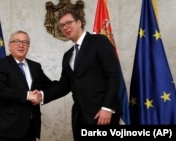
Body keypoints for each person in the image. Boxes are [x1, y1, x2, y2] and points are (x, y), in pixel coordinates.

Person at [42, 9, 122, 140]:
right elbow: (64, 86)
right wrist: (42, 95)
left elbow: (113, 75)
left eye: (69, 23)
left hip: (102, 115)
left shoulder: (99, 41)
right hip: (80, 117)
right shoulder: (67, 55)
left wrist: (108, 107)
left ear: (79, 22)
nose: (65, 27)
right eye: (62, 25)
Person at [0, 30, 55, 141]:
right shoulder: (1, 64)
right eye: (17, 42)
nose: (21, 45)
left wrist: (70, 81)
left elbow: (50, 86)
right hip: (6, 130)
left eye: (25, 42)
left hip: (30, 129)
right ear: (10, 46)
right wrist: (27, 95)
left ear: (28, 47)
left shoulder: (35, 67)